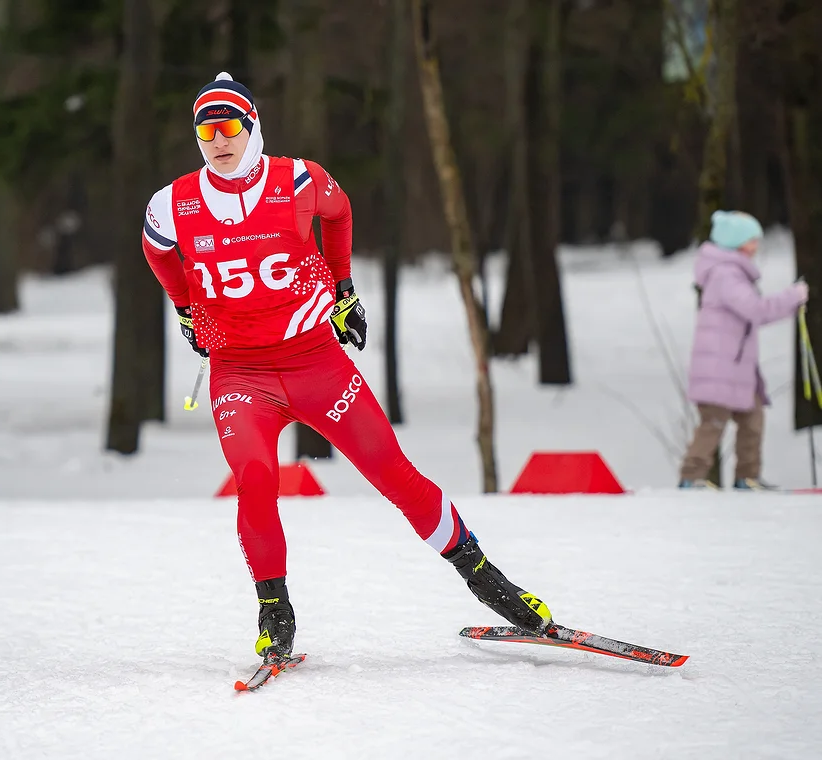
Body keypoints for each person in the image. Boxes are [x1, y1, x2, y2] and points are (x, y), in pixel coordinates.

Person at [140, 72, 552, 661]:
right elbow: (156, 249)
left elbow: (339, 213)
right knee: (255, 479)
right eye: (205, 132)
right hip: (241, 374)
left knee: (392, 472)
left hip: (315, 362)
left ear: (252, 127)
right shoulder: (171, 203)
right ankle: (274, 610)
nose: (218, 141)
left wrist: (342, 287)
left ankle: (486, 578)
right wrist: (186, 307)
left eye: (229, 126)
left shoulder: (299, 179)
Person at [678, 210, 809, 490]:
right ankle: (691, 478)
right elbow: (755, 309)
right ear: (735, 242)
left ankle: (747, 476)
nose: (756, 245)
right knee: (713, 422)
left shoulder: (734, 273)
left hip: (735, 368)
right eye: (751, 240)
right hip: (719, 368)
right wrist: (792, 297)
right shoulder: (726, 275)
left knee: (753, 418)